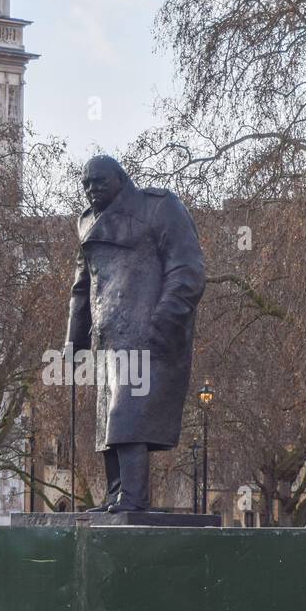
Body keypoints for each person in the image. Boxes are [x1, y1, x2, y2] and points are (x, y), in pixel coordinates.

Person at [65, 156, 205, 512]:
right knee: (108, 420)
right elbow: (82, 288)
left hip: (147, 331)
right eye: (85, 185)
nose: (91, 190)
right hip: (107, 335)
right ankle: (117, 495)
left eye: (98, 181)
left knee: (127, 415)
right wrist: (73, 340)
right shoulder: (86, 224)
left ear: (121, 178)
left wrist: (164, 321)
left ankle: (133, 498)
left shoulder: (159, 207)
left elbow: (187, 269)